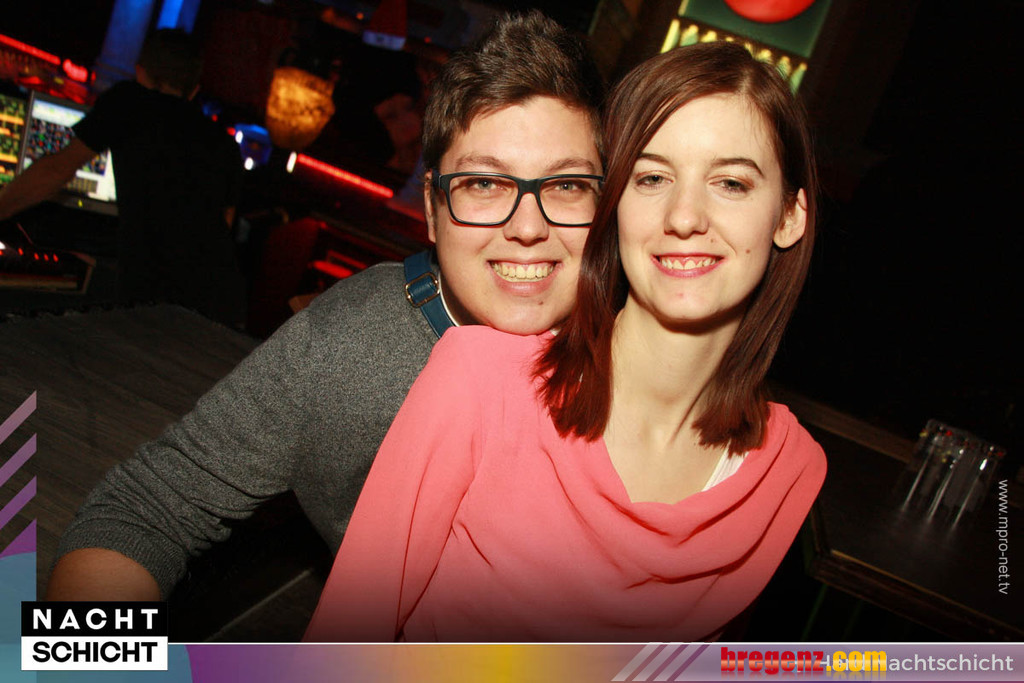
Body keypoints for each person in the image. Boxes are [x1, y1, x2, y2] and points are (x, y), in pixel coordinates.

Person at [45, 11, 605, 604]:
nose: (527, 227)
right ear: (432, 208)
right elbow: (149, 507)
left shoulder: (649, 356)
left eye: (567, 186)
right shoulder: (353, 342)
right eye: (484, 184)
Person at [304, 41, 826, 642]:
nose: (685, 217)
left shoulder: (788, 468)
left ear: (789, 215)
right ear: (613, 203)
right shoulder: (482, 381)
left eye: (731, 183)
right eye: (652, 177)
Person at [0, 29, 246, 325]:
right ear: (194, 90)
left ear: (140, 72)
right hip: (222, 302)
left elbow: (56, 170)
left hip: (159, 301)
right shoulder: (224, 142)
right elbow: (223, 223)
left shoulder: (129, 102)